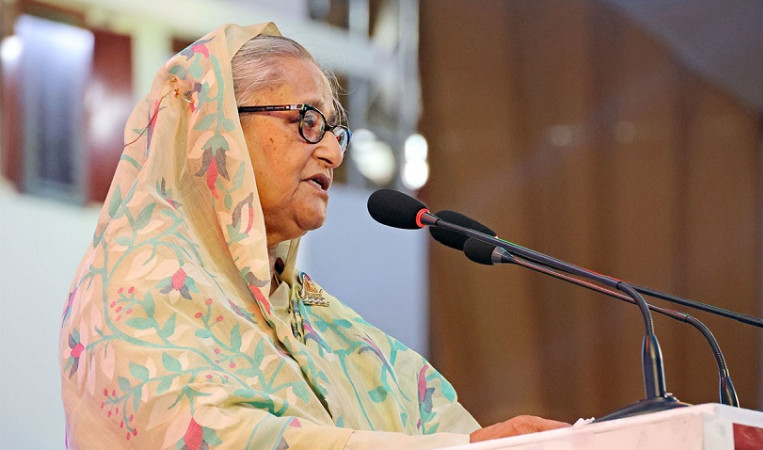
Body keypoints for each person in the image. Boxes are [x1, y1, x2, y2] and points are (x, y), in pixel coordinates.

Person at [59, 22, 567, 448]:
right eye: (306, 120)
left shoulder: (330, 326)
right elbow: (217, 438)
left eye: (333, 130)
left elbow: (451, 430)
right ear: (217, 128)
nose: (333, 152)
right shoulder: (136, 287)